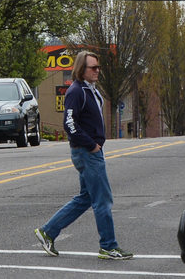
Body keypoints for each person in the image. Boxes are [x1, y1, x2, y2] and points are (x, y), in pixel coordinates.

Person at [34, 51, 133, 260]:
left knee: (86, 198)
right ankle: (108, 246)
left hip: (90, 151)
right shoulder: (76, 91)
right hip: (87, 152)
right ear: (81, 69)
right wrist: (92, 146)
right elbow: (69, 124)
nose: (97, 71)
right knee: (103, 200)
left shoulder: (91, 91)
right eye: (93, 68)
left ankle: (48, 231)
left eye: (98, 67)